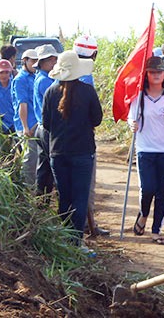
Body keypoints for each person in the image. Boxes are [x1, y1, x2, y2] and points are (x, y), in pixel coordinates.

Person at [42, 50, 102, 249]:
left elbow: (46, 124)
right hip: (83, 153)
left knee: (64, 197)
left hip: (57, 153)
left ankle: (65, 240)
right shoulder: (87, 91)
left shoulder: (50, 92)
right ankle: (76, 241)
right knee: (80, 197)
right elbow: (97, 119)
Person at [128, 56, 164, 245]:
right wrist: (132, 124)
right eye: (152, 72)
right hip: (145, 149)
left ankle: (156, 230)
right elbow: (131, 118)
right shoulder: (139, 97)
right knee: (148, 188)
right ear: (146, 75)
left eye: (159, 72)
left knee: (162, 191)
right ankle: (143, 214)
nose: (156, 75)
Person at [73, 35, 110, 237]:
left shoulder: (63, 70)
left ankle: (84, 225)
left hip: (63, 140)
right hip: (83, 140)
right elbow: (94, 116)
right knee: (86, 186)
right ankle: (89, 226)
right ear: (93, 54)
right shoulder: (86, 76)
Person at [33, 45, 58, 200]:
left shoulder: (44, 79)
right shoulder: (45, 81)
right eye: (52, 60)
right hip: (48, 129)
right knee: (52, 167)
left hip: (43, 128)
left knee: (45, 168)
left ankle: (42, 201)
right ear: (43, 62)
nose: (54, 63)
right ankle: (44, 200)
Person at [12, 48, 38, 188]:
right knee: (30, 158)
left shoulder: (35, 76)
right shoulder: (20, 80)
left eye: (36, 61)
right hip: (27, 125)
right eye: (32, 61)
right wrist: (25, 127)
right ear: (25, 61)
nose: (35, 64)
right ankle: (28, 190)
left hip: (36, 123)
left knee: (37, 158)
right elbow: (22, 104)